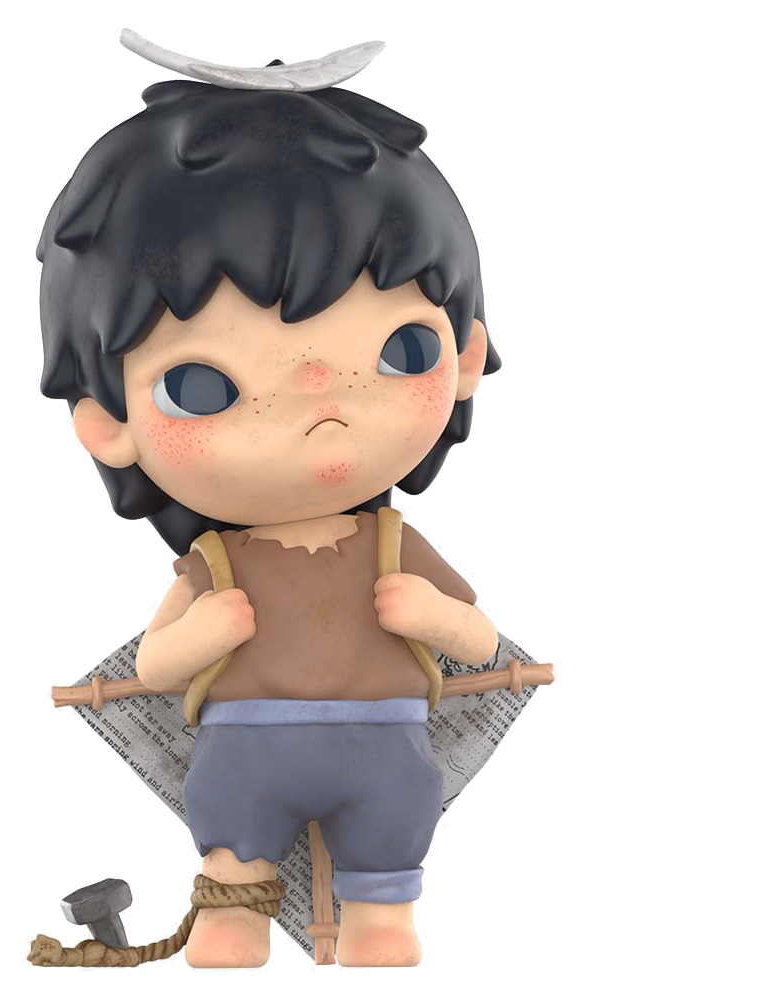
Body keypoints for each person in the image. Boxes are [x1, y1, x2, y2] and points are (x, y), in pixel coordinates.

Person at [37, 76, 501, 967]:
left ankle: (381, 913)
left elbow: (478, 641)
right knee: (231, 817)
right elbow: (155, 666)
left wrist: (434, 618)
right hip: (246, 746)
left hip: (385, 742)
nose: (321, 399)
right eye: (205, 386)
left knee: (396, 818)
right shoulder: (216, 562)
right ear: (108, 423)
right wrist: (199, 634)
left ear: (466, 353)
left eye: (401, 350)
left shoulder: (394, 546)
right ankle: (233, 908)